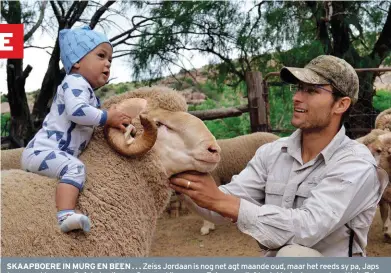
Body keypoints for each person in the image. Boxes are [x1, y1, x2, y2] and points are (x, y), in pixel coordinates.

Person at [170, 55, 389, 257]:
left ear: (341, 104)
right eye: (298, 88)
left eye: (311, 91)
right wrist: (174, 172)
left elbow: (307, 228)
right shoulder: (272, 153)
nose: (296, 97)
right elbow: (218, 204)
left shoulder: (356, 163)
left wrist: (222, 201)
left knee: (292, 255)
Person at [21, 26, 131, 233]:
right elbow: (77, 111)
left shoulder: (84, 89)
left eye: (110, 59)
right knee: (76, 168)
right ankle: (65, 215)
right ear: (77, 61)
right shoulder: (75, 82)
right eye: (101, 55)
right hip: (43, 152)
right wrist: (107, 117)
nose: (108, 62)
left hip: (48, 153)